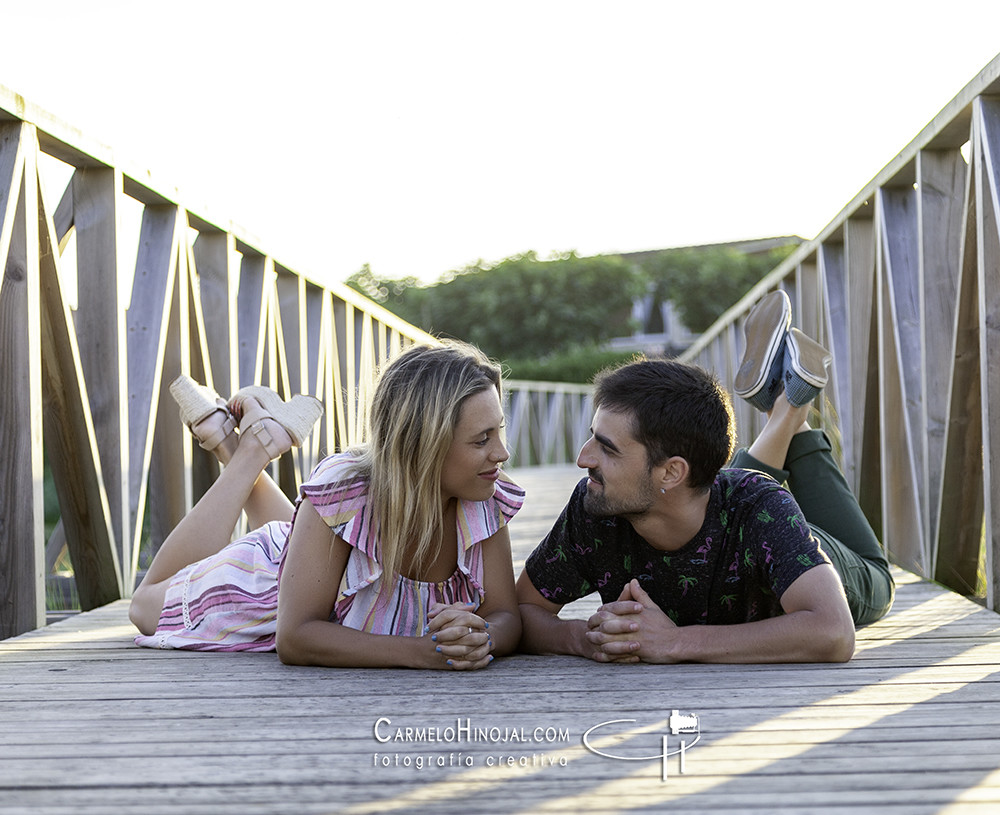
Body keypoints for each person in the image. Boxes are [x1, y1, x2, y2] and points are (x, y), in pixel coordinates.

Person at [516, 290, 894, 664]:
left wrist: (674, 642)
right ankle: (788, 403)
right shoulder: (597, 506)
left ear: (671, 471)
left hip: (817, 557)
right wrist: (583, 638)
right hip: (712, 501)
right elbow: (521, 612)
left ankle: (792, 409)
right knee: (728, 493)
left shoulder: (761, 509)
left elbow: (833, 632)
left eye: (607, 448)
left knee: (879, 578)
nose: (583, 459)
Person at [129, 341, 523, 670]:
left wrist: (483, 637)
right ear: (423, 447)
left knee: (322, 529)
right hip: (267, 587)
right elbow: (295, 636)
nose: (502, 452)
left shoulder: (483, 500)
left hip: (330, 560)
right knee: (145, 609)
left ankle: (226, 438)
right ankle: (251, 450)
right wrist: (425, 652)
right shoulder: (346, 490)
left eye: (499, 430)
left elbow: (506, 615)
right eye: (481, 440)